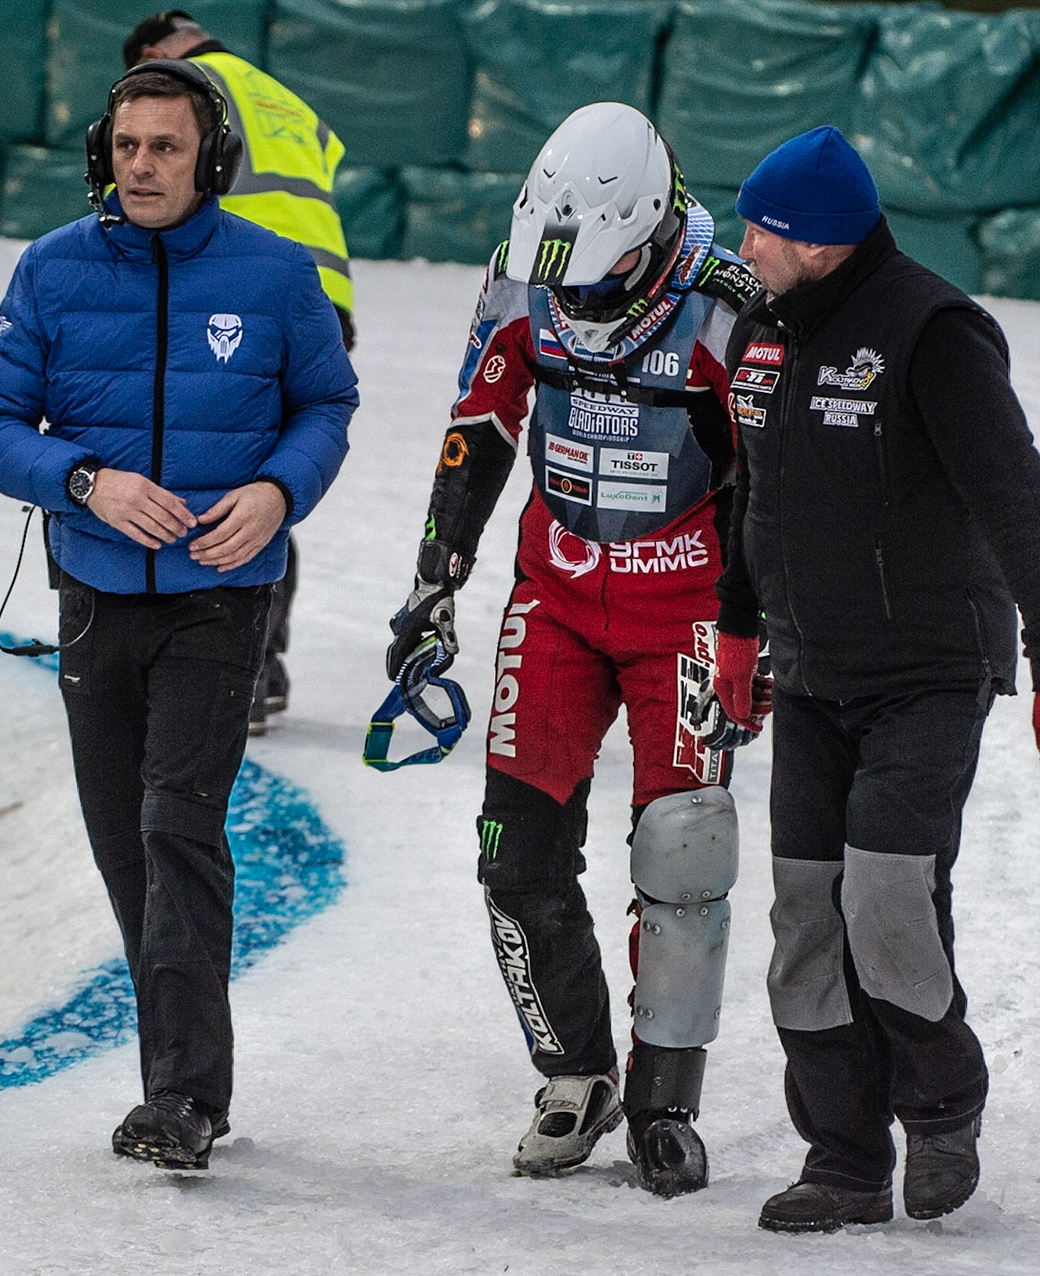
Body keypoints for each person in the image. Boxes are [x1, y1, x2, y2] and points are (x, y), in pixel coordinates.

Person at [709, 126, 1040, 1233]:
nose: (744, 245)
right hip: (813, 673)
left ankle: (941, 1108)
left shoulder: (932, 332)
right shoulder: (763, 329)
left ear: (824, 244)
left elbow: (1020, 500)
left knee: (885, 890)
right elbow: (751, 496)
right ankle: (842, 1155)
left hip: (930, 670)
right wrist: (740, 633)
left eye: (763, 230)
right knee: (803, 913)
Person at [0, 60, 357, 1170]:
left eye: (166, 147)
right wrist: (84, 481)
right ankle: (178, 1072)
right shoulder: (51, 271)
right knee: (122, 843)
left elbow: (329, 401)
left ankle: (183, 1097)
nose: (142, 165)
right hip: (92, 600)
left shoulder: (275, 277)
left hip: (221, 603)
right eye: (127, 146)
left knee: (178, 823)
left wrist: (280, 489)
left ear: (208, 159)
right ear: (103, 153)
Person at [384, 102, 763, 1197]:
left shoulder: (728, 305)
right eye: (562, 282)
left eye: (599, 281)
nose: (576, 302)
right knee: (515, 853)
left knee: (684, 854)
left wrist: (758, 628)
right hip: (553, 597)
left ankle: (664, 1100)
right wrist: (434, 579)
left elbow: (768, 485)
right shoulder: (519, 276)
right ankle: (575, 1072)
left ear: (653, 234)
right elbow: (479, 423)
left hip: (687, 606)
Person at [125, 9, 358, 734]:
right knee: (265, 484)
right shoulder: (281, 96)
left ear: (159, 55)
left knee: (216, 479)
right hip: (324, 299)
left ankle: (239, 673)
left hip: (242, 297)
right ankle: (262, 670)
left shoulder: (191, 90)